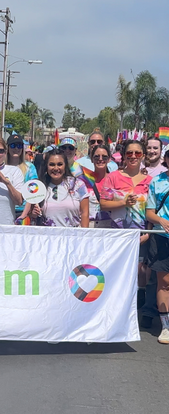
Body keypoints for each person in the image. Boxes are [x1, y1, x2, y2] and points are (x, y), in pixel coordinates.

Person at [100, 140, 152, 230]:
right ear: (124, 156)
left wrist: (148, 233)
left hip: (141, 234)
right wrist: (124, 203)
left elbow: (152, 210)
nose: (133, 156)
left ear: (143, 156)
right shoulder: (113, 177)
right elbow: (103, 204)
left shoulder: (150, 181)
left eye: (138, 153)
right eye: (129, 153)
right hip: (118, 234)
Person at [31, 148, 89, 227]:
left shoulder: (78, 185)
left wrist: (84, 236)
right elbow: (31, 215)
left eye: (59, 164)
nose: (56, 168)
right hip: (47, 237)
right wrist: (33, 214)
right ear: (46, 166)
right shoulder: (38, 187)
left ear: (65, 166)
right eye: (52, 164)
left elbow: (85, 213)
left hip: (73, 237)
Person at [146, 149, 169, 343]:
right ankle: (166, 326)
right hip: (162, 238)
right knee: (164, 282)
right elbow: (149, 213)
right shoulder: (157, 182)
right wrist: (161, 220)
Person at [6, 134, 38, 220]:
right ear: (8, 148)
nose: (16, 148)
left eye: (19, 146)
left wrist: (23, 215)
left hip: (23, 211)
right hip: (5, 209)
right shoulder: (2, 167)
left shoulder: (29, 167)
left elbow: (32, 193)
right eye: (13, 145)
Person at [87, 145, 112, 227]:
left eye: (104, 157)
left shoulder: (115, 180)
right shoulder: (84, 181)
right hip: (89, 226)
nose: (100, 159)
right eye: (97, 157)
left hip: (111, 227)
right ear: (91, 159)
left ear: (109, 159)